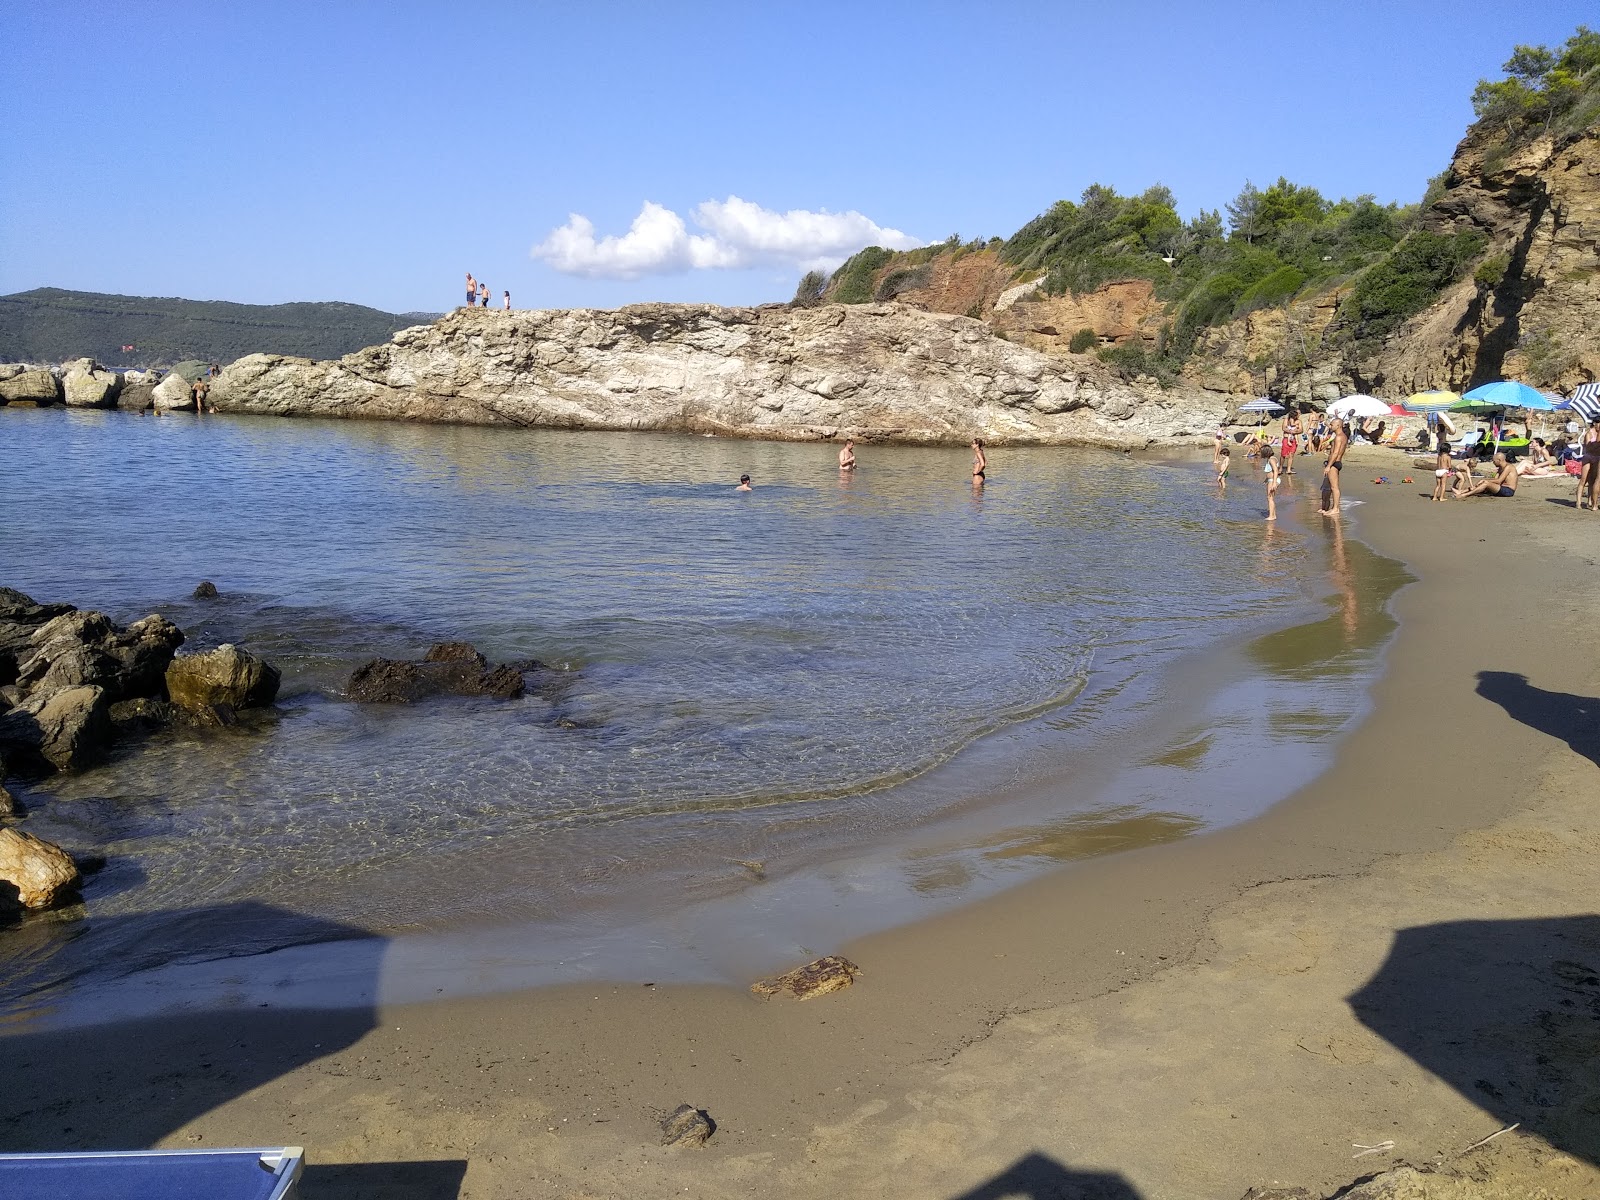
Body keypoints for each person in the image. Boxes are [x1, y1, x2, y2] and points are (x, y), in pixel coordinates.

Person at [1319, 417, 1349, 516]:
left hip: (1334, 463)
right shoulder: (1341, 436)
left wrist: (1328, 466)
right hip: (1335, 462)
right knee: (1327, 486)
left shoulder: (1339, 437)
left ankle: (1335, 508)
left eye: (1332, 424)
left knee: (1334, 487)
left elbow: (1335, 453)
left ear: (1338, 425)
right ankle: (1325, 507)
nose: (1330, 426)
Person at [1580, 416, 1600, 511]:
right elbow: (1591, 445)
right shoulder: (1590, 433)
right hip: (1590, 457)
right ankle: (1591, 503)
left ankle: (1594, 504)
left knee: (1596, 480)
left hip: (1596, 457)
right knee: (1590, 480)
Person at [1431, 430, 1453, 502]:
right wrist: (1450, 471)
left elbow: (1438, 464)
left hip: (1438, 471)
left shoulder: (1439, 456)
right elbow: (1449, 466)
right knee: (1443, 485)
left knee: (1438, 485)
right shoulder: (1448, 457)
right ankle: (1441, 497)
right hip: (1444, 471)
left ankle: (1434, 497)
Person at [1260, 443, 1280, 520]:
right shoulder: (1271, 459)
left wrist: (1274, 483)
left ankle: (1272, 516)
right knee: (1270, 497)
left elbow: (1275, 470)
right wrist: (1266, 479)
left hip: (1273, 480)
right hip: (1270, 480)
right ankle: (1273, 514)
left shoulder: (1271, 460)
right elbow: (1270, 471)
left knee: (1270, 498)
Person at [1280, 408, 1301, 475]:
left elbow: (1301, 430)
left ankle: (1288, 469)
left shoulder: (1299, 421)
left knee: (1291, 454)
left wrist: (1295, 431)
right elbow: (1283, 428)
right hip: (1286, 438)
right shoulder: (1286, 420)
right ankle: (1280, 468)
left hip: (1293, 439)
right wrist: (1290, 431)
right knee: (1283, 454)